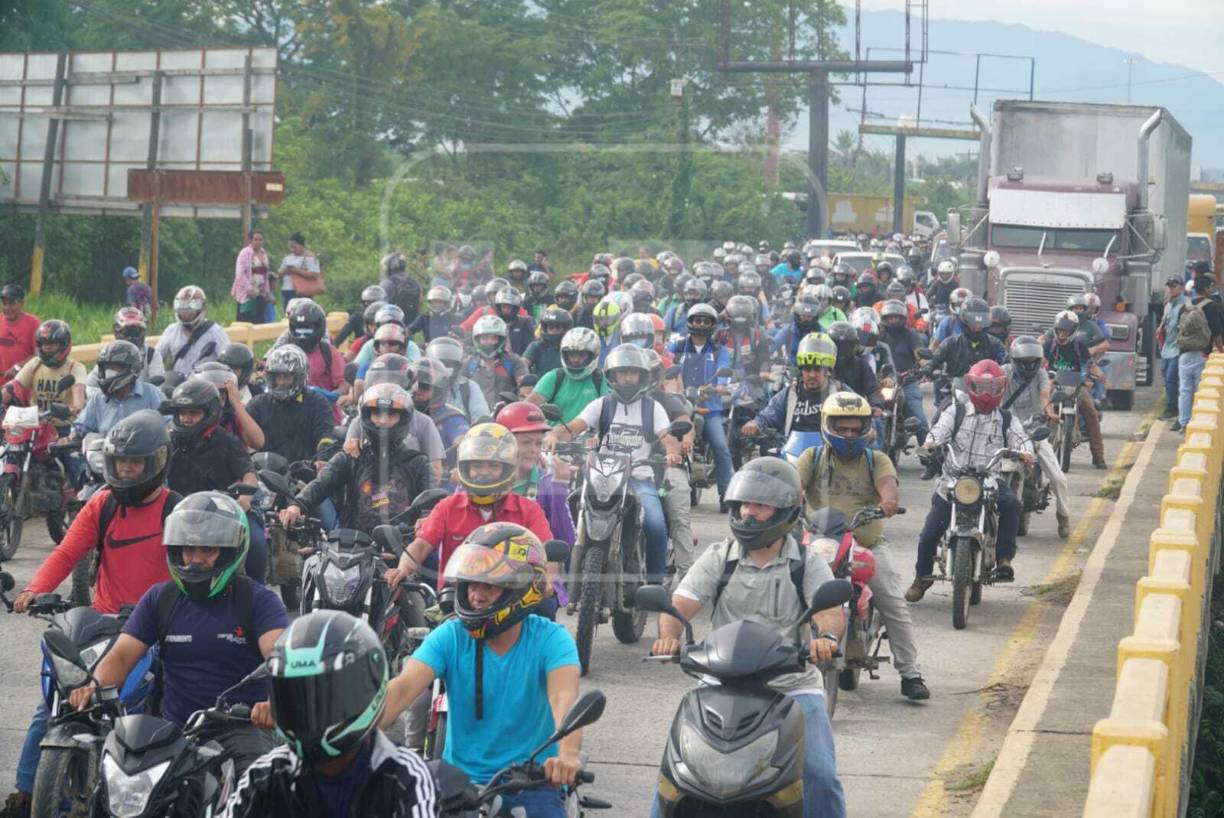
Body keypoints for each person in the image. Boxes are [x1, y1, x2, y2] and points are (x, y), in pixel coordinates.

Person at [3, 411, 179, 818]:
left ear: (157, 462)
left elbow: (189, 572)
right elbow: (67, 552)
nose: (127, 470)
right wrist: (34, 590)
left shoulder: (176, 510)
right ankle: (27, 793)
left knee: (168, 705)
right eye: (120, 463)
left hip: (153, 627)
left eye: (135, 462)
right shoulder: (102, 503)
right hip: (102, 623)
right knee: (53, 703)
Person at [649, 457, 846, 818]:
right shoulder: (718, 557)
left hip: (792, 684)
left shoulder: (806, 562)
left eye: (760, 505)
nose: (747, 512)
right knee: (677, 773)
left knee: (820, 774)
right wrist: (669, 637)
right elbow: (678, 606)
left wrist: (827, 638)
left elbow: (828, 610)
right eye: (743, 503)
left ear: (785, 511)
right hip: (721, 683)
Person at [68, 492, 287, 777]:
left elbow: (281, 658)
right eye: (187, 549)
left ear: (231, 549)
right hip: (174, 731)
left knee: (258, 792)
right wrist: (93, 686)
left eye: (207, 550)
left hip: (242, 729)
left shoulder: (258, 601)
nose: (195, 560)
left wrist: (276, 703)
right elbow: (121, 657)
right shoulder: (160, 599)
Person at [380, 524, 582, 817]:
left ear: (522, 587)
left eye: (490, 585)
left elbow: (565, 700)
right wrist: (351, 733)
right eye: (472, 584)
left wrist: (569, 754)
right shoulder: (451, 634)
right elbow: (401, 689)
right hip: (457, 782)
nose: (476, 595)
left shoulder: (551, 639)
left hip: (532, 781)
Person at [218, 610, 439, 818]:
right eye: (296, 698)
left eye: (323, 699)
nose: (308, 713)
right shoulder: (266, 776)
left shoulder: (404, 776)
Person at [793, 392, 929, 701]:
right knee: (786, 594)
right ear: (829, 426)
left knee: (894, 602)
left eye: (856, 429)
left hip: (865, 545)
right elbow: (793, 486)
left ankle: (910, 672)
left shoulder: (875, 459)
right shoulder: (812, 458)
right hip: (819, 545)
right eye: (843, 429)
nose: (850, 435)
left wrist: (889, 502)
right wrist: (787, 501)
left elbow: (888, 484)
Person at [544, 344, 681, 585]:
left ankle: (655, 584)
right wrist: (554, 436)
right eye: (622, 372)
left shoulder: (653, 407)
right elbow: (574, 427)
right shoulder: (602, 404)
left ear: (642, 376)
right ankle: (567, 571)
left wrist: (671, 454)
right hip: (600, 476)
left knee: (655, 524)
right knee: (570, 510)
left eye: (633, 372)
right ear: (612, 376)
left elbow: (668, 438)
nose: (627, 378)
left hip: (639, 478)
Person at [909, 360, 1034, 598]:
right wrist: (931, 443)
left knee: (1012, 504)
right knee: (928, 535)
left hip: (989, 480)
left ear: (1001, 388)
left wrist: (1026, 452)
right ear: (970, 386)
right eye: (981, 386)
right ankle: (921, 577)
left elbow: (1021, 438)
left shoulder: (1006, 419)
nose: (986, 393)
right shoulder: (955, 412)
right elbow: (938, 431)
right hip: (952, 481)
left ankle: (1004, 558)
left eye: (992, 387)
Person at [385, 423, 554, 589]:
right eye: (477, 465)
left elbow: (546, 553)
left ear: (508, 468)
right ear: (465, 468)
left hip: (511, 597)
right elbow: (420, 546)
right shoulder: (447, 507)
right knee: (427, 616)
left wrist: (547, 580)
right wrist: (402, 569)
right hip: (456, 599)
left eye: (493, 465)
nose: (484, 472)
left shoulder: (529, 510)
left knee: (547, 606)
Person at [281, 383, 435, 533]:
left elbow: (430, 501)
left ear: (403, 419)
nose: (382, 420)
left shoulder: (418, 463)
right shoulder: (351, 458)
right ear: (367, 416)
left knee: (433, 557)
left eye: (391, 414)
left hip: (403, 547)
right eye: (377, 414)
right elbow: (320, 484)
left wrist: (426, 517)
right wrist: (297, 505)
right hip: (350, 546)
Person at [166, 377, 267, 582]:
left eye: (193, 413)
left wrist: (244, 501)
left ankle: (258, 592)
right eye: (182, 413)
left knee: (256, 542)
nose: (186, 418)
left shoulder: (227, 441)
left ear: (210, 412)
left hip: (225, 513)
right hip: (180, 515)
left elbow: (248, 473)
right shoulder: (169, 442)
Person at [1004, 335, 1072, 539]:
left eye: (1033, 361)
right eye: (1025, 362)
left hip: (1033, 430)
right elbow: (994, 393)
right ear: (1014, 360)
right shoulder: (1003, 373)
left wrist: (1049, 412)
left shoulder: (1041, 374)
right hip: (1006, 429)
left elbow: (1045, 395)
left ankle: (1063, 516)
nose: (1029, 365)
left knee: (1058, 478)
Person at [669, 304, 734, 511]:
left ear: (713, 325)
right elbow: (666, 367)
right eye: (698, 320)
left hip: (709, 410)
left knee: (721, 448)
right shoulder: (677, 348)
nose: (702, 324)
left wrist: (718, 388)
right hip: (680, 407)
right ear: (690, 322)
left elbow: (724, 376)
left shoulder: (719, 350)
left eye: (707, 321)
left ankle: (726, 494)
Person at [497, 401, 575, 547]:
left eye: (538, 443)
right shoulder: (482, 479)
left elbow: (566, 541)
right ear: (502, 443)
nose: (534, 450)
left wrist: (559, 488)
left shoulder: (547, 482)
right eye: (526, 443)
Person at [742, 333, 843, 444]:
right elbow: (768, 415)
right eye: (807, 369)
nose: (812, 375)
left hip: (830, 454)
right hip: (792, 455)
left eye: (817, 369)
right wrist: (756, 424)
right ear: (801, 370)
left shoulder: (840, 393)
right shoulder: (790, 394)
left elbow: (860, 416)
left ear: (827, 370)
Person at [246, 344, 335, 466]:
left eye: (287, 376)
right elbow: (242, 438)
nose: (282, 382)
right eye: (278, 377)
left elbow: (325, 436)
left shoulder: (318, 403)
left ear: (300, 376)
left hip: (305, 476)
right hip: (264, 474)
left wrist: (322, 460)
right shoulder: (257, 405)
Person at [1042, 310, 1106, 468]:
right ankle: (1036, 451)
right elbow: (1040, 363)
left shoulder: (1080, 346)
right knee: (1040, 409)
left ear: (1073, 331)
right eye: (1060, 330)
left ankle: (1098, 456)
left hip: (1076, 384)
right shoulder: (1049, 345)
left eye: (1066, 330)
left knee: (1091, 413)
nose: (1062, 334)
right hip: (1054, 383)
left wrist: (1099, 374)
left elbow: (1090, 364)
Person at [3, 319, 87, 427]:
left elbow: (79, 393)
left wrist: (73, 409)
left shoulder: (75, 368)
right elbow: (13, 387)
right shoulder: (35, 364)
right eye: (44, 343)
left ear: (64, 344)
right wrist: (3, 396)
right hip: (35, 425)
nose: (47, 347)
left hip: (63, 428)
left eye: (52, 343)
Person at [74, 340, 164, 437]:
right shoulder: (98, 399)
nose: (109, 372)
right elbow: (81, 427)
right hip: (106, 451)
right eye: (106, 368)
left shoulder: (151, 393)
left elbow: (168, 424)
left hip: (144, 451)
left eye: (114, 368)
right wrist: (73, 435)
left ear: (131, 368)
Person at [527, 327, 607, 425]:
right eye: (572, 355)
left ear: (593, 355)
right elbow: (529, 406)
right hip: (555, 437)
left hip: (592, 437)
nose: (576, 360)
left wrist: (598, 436)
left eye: (581, 355)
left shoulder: (601, 379)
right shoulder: (554, 377)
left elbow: (611, 411)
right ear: (564, 355)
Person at [1176, 274, 1224, 431]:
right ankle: (1196, 423)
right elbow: (1216, 332)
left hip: (1184, 353)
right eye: (1212, 286)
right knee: (1199, 390)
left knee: (1184, 390)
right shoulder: (1213, 306)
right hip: (1202, 353)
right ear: (1207, 288)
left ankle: (1184, 423)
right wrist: (1221, 350)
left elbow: (1179, 329)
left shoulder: (1185, 306)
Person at [879, 300, 930, 441]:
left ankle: (931, 453)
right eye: (890, 317)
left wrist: (926, 366)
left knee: (919, 418)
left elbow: (919, 354)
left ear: (903, 318)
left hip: (906, 382)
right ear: (884, 318)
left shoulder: (911, 335)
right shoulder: (879, 335)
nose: (893, 320)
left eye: (896, 317)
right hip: (883, 383)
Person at [156, 286, 231, 376]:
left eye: (190, 308)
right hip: (177, 385)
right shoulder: (171, 331)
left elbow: (228, 361)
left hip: (205, 385)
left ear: (202, 308)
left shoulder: (215, 332)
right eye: (182, 307)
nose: (186, 313)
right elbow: (156, 356)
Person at [464, 314, 524, 409]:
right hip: (475, 416)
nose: (489, 342)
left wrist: (523, 390)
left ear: (501, 340)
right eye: (484, 338)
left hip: (506, 414)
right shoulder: (468, 363)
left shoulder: (513, 361)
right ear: (477, 340)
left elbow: (524, 386)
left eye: (493, 338)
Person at [426, 335, 491, 422]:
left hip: (464, 433)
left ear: (458, 365)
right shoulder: (419, 386)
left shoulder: (469, 387)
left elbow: (482, 420)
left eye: (449, 364)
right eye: (440, 364)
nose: (444, 369)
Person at [1158, 276, 1186, 422]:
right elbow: (1165, 322)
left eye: (1174, 286)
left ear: (1181, 287)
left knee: (1172, 379)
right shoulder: (1168, 304)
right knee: (1166, 377)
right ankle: (1171, 406)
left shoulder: (1186, 305)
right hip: (1166, 347)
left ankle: (1172, 407)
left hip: (1177, 347)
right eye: (1169, 286)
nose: (1171, 289)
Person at [0, 283, 39, 385]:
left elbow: (39, 355)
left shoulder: (33, 323)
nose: (7, 308)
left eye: (12, 304)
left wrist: (18, 366)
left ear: (21, 303)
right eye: (4, 304)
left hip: (21, 385)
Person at [274, 232, 322, 313]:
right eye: (290, 247)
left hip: (303, 291)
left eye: (294, 247)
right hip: (288, 290)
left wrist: (297, 271)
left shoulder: (309, 258)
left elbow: (315, 274)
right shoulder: (287, 258)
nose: (292, 249)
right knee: (289, 313)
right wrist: (285, 270)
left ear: (301, 245)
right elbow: (279, 274)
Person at [233, 230, 275, 322]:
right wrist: (249, 288)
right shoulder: (245, 253)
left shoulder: (263, 253)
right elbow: (239, 273)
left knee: (259, 319)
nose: (258, 242)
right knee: (246, 318)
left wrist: (268, 293)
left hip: (261, 293)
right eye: (255, 239)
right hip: (247, 293)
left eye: (260, 239)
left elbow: (266, 273)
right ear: (251, 241)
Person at [523, 306, 573, 377]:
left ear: (566, 329)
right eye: (551, 328)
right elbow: (522, 365)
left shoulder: (572, 348)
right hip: (540, 386)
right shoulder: (536, 346)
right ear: (545, 329)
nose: (553, 331)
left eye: (558, 328)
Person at [334, 284, 387, 348]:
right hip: (362, 352)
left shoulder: (389, 317)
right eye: (367, 303)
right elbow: (340, 337)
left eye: (374, 303)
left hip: (386, 350)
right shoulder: (357, 317)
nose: (372, 307)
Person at [378, 251, 423, 327]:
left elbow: (379, 304)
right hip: (411, 324)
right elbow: (420, 302)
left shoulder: (387, 283)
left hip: (390, 323)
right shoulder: (415, 282)